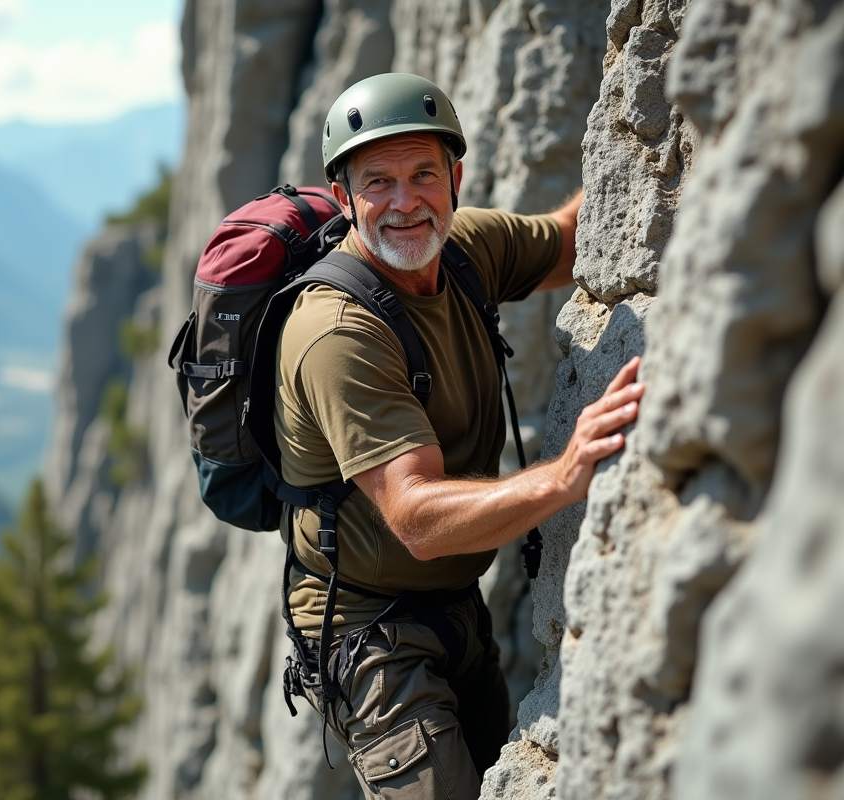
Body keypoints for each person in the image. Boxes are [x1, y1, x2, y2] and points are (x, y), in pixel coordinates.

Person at [274, 72, 643, 799]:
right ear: (345, 198)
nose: (405, 202)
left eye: (423, 174)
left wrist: (644, 143)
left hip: (456, 610)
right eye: (377, 182)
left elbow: (579, 240)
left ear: (456, 177)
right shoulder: (336, 333)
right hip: (370, 643)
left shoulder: (465, 250)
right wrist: (565, 475)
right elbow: (415, 517)